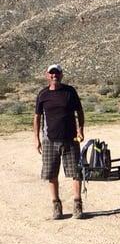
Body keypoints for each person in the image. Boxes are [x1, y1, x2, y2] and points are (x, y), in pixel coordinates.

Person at [33, 64, 85, 219]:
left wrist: (80, 130)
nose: (54, 76)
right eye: (51, 73)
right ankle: (56, 205)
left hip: (70, 139)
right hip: (49, 140)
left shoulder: (70, 92)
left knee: (76, 172)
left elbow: (79, 112)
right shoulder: (42, 94)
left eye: (57, 73)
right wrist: (36, 138)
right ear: (47, 75)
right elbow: (37, 117)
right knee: (51, 173)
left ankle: (77, 204)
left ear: (61, 75)